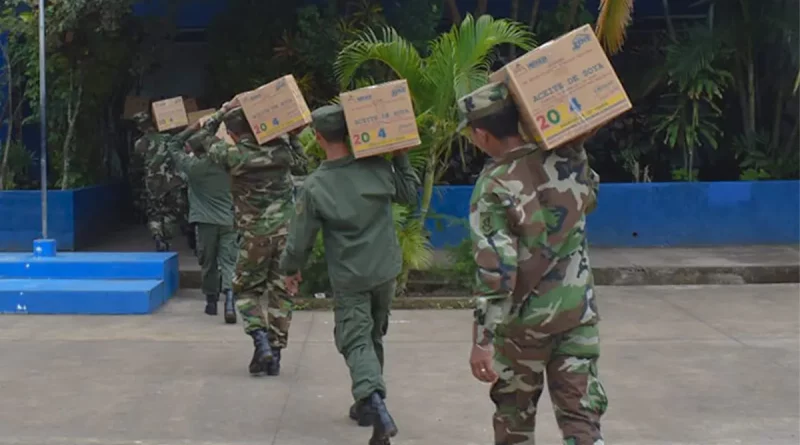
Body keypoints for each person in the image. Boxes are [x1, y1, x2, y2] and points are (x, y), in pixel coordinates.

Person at [456, 82, 606, 445]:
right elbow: (591, 197)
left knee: (515, 420)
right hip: (577, 317)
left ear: (481, 134)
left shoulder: (493, 186)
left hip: (523, 327)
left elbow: (498, 271)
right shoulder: (567, 158)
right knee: (581, 418)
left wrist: (483, 340)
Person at [278, 104, 420, 445]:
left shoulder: (316, 186)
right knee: (372, 334)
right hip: (385, 270)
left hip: (351, 276)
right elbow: (409, 193)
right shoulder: (377, 168)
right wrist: (400, 156)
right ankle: (365, 402)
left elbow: (300, 242)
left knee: (355, 339)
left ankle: (375, 403)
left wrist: (290, 270)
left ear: (319, 137)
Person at [198, 99, 306, 376]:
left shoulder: (232, 156)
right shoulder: (281, 153)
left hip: (253, 237)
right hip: (286, 236)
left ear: (233, 135)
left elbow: (203, 137)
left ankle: (261, 341)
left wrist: (221, 110)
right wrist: (291, 136)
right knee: (282, 294)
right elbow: (303, 164)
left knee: (246, 290)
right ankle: (276, 353)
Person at [156, 122, 238, 323]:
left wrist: (193, 128)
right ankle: (229, 300)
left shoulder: (193, 167)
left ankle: (211, 302)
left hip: (205, 222)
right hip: (228, 220)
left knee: (208, 262)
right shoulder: (228, 165)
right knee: (229, 261)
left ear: (194, 149)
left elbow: (173, 145)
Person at [132, 112, 190, 252]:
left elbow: (137, 166)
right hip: (173, 181)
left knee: (155, 212)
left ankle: (159, 238)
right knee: (180, 210)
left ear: (139, 127)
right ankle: (190, 238)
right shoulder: (167, 138)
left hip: (153, 184)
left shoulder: (139, 144)